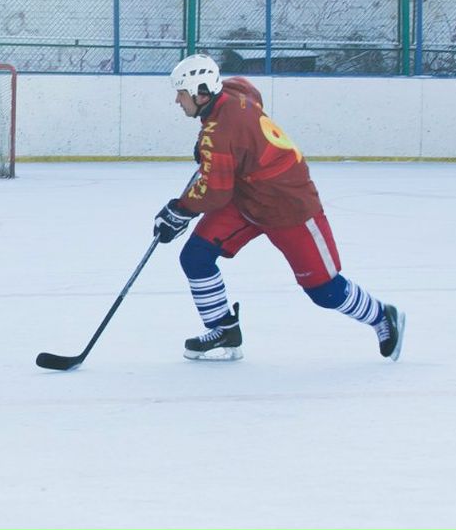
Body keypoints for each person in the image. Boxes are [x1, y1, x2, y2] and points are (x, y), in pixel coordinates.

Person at [154, 53, 404, 361]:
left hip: (289, 206)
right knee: (196, 257)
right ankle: (224, 329)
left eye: (180, 93)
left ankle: (381, 316)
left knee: (324, 290)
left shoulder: (218, 134)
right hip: (248, 197)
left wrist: (180, 210)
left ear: (201, 93)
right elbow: (250, 90)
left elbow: (215, 192)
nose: (177, 100)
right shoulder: (231, 92)